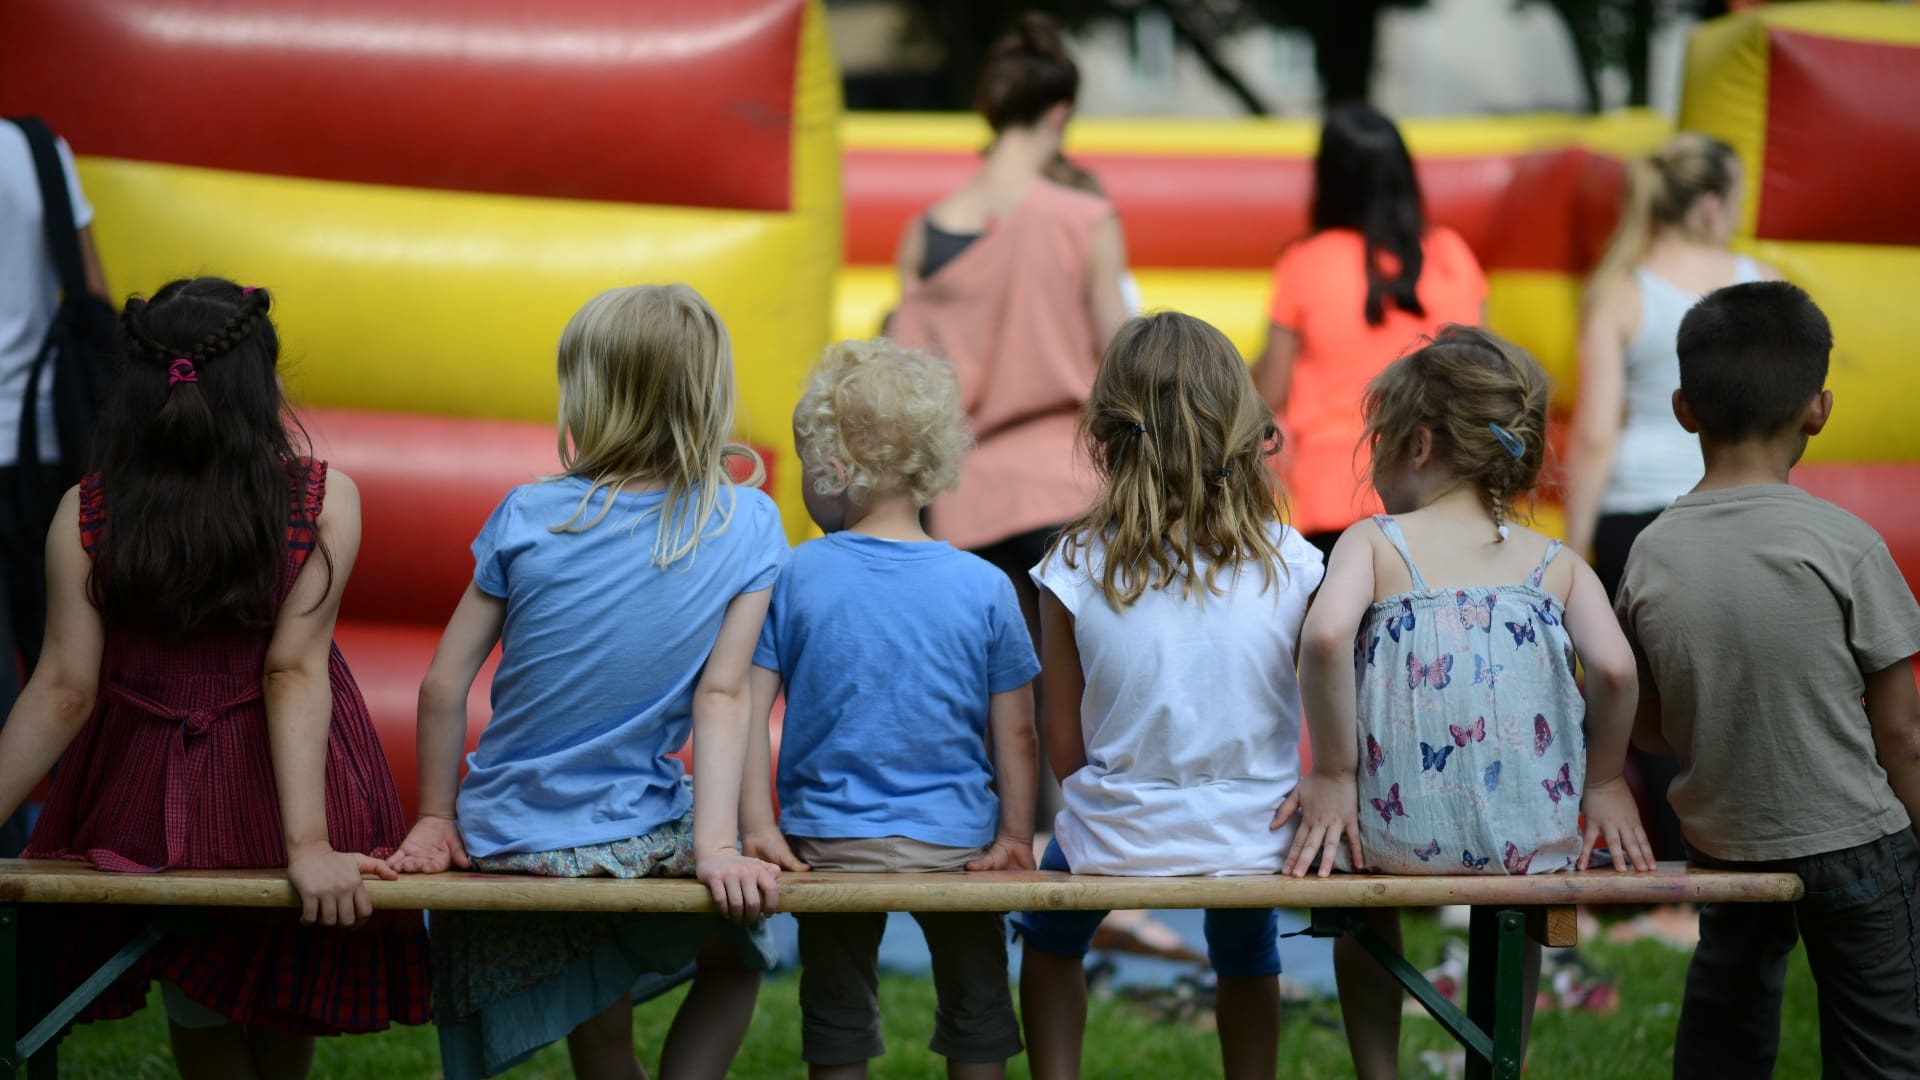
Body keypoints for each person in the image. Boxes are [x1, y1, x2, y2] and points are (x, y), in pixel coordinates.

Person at [0, 278, 429, 1076]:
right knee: (283, 974)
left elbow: (64, 687)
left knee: (195, 977)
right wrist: (308, 845)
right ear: (262, 383)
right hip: (294, 790)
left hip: (154, 802)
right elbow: (293, 670)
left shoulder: (87, 509)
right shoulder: (323, 498)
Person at [386, 284, 789, 1079]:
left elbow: (442, 684)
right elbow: (722, 695)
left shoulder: (529, 514)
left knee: (599, 1021)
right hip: (633, 837)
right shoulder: (746, 521)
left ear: (589, 394)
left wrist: (436, 817)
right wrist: (714, 846)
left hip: (509, 836)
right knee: (742, 955)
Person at [1276, 325, 1653, 1080]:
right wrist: (1606, 783)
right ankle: (1499, 1064)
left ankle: (1379, 1069)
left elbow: (1323, 641)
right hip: (1529, 839)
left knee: (1362, 897)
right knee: (1516, 909)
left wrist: (1334, 775)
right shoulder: (1555, 561)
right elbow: (1614, 669)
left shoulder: (1376, 542)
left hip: (1390, 833)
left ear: (1416, 445)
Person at [1615, 282, 1920, 1079]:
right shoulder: (1848, 543)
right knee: (1887, 1046)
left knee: (1728, 1023)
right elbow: (1902, 733)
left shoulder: (1649, 554)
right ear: (1819, 409)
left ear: (1684, 408)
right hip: (1857, 840)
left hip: (1728, 847)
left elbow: (1647, 726)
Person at [1015, 312, 1324, 1080]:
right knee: (1247, 947)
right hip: (1255, 838)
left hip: (1116, 833)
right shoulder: (1295, 561)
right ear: (1243, 428)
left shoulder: (1073, 562)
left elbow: (1061, 741)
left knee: (1050, 939)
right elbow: (1322, 711)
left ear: (1108, 436)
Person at [742, 338, 1039, 1080]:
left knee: (837, 1009)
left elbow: (744, 712)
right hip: (959, 845)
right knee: (978, 1007)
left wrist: (754, 827)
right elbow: (1019, 733)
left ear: (836, 471)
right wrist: (1013, 836)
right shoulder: (984, 585)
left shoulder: (795, 572)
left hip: (827, 842)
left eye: (810, 469)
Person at [887, 13, 1130, 832]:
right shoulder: (1082, 218)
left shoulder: (924, 232)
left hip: (966, 498)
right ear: (1060, 113)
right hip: (1067, 483)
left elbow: (906, 375)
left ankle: (1007, 870)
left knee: (1000, 704)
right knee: (1085, 700)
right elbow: (1118, 361)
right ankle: (1094, 887)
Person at [1566, 133, 1778, 864]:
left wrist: (1575, 540)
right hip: (1740, 507)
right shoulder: (1763, 284)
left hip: (1637, 513)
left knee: (1654, 702)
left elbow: (1595, 432)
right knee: (1738, 686)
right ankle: (1744, 848)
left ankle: (1671, 871)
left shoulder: (1623, 289)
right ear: (1713, 204)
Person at [1253, 104, 1488, 562]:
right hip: (1442, 492)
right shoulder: (1452, 254)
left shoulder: (1305, 262)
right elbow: (1484, 373)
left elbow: (1269, 392)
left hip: (1334, 501)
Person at [0, 119, 109, 855]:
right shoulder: (38, 149)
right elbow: (92, 296)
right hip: (49, 452)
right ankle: (86, 896)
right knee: (74, 671)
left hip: (42, 457)